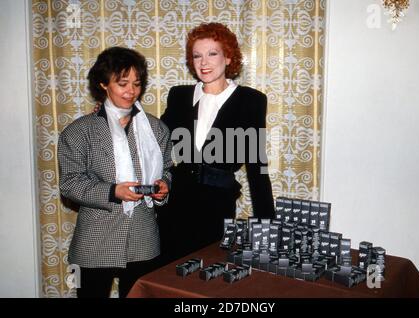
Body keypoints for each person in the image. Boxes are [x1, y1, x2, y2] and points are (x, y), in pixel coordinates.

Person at [58, 47, 172, 298]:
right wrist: (112, 191)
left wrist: (164, 186)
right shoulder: (79, 131)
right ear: (103, 84)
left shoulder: (155, 128)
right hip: (95, 240)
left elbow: (167, 169)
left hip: (143, 238)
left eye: (136, 83)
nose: (131, 91)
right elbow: (70, 183)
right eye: (122, 83)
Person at [157, 22, 275, 264]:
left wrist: (268, 227)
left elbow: (256, 166)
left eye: (212, 54)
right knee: (170, 275)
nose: (204, 63)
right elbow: (154, 138)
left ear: (229, 57)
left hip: (217, 206)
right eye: (197, 56)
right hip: (176, 204)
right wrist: (117, 116)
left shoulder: (250, 101)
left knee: (207, 277)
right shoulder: (179, 96)